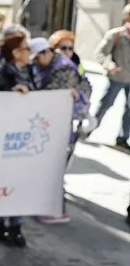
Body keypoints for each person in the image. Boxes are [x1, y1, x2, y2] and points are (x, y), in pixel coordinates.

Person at [29, 37, 88, 224]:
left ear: (46, 52)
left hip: (63, 126)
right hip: (54, 125)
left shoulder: (64, 68)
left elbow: (51, 98)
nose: (35, 63)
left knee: (55, 167)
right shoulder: (49, 65)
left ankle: (56, 210)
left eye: (37, 58)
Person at [0, 34, 35, 247]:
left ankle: (15, 225)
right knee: (5, 178)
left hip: (22, 138)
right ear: (16, 52)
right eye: (26, 48)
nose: (30, 52)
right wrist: (11, 94)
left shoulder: (28, 70)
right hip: (4, 140)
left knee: (20, 180)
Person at [91, 3, 130, 152]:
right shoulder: (116, 35)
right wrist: (109, 65)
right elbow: (99, 53)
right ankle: (90, 128)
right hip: (116, 78)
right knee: (106, 104)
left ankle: (122, 138)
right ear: (127, 18)